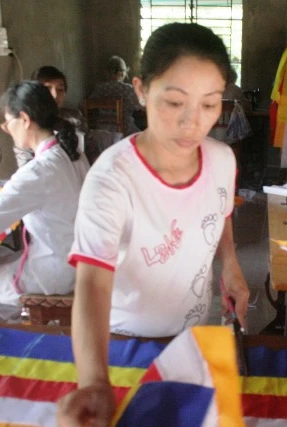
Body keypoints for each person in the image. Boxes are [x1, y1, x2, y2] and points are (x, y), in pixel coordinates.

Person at [57, 23, 250, 425]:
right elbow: (92, 283)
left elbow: (220, 211)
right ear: (141, 90)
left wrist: (230, 264)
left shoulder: (221, 159)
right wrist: (94, 381)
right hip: (126, 346)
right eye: (175, 102)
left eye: (210, 104)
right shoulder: (112, 180)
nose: (192, 123)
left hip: (192, 336)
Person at [0, 81, 90, 321]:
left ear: (25, 119)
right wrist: (4, 195)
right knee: (3, 265)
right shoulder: (72, 154)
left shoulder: (37, 171)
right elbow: (50, 193)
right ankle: (9, 330)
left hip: (56, 271)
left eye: (7, 123)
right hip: (80, 259)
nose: (7, 130)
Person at [14, 66, 88, 168]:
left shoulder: (74, 118)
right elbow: (25, 165)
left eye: (60, 89)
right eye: (48, 89)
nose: (55, 95)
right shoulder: (28, 124)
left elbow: (89, 150)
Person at [88, 55, 142, 135]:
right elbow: (140, 106)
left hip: (102, 132)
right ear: (122, 73)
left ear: (108, 72)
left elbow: (88, 105)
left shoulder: (99, 88)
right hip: (124, 132)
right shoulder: (128, 89)